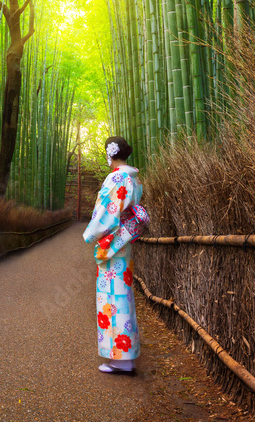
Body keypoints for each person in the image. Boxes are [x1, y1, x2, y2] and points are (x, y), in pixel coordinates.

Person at [82, 136, 143, 375]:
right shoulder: (134, 179)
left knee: (112, 298)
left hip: (113, 245)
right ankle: (125, 357)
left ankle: (120, 359)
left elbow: (107, 212)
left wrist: (91, 233)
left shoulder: (117, 177)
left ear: (110, 154)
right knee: (123, 295)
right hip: (124, 244)